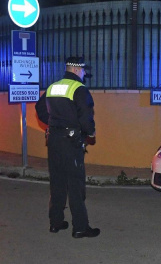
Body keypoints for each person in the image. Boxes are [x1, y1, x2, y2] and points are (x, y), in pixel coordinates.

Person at [35, 57, 100, 238]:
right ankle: (80, 227)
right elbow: (85, 117)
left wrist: (53, 124)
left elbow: (39, 108)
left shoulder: (52, 87)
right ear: (77, 69)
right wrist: (90, 133)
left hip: (54, 140)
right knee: (75, 185)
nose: (85, 73)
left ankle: (55, 223)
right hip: (71, 143)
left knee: (57, 182)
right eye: (84, 70)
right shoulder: (79, 89)